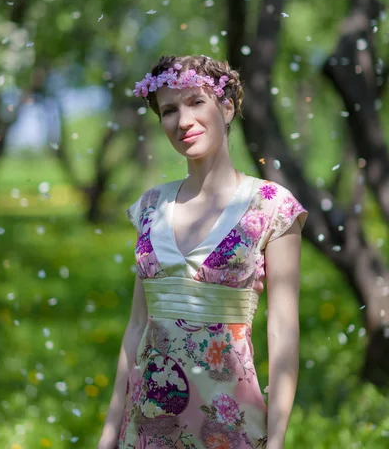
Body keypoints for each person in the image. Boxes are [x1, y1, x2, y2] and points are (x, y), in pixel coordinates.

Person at [97, 55, 308, 449]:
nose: (183, 121)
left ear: (226, 107)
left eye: (196, 102)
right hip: (148, 425)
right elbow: (137, 328)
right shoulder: (149, 206)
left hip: (230, 423)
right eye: (168, 110)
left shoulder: (272, 206)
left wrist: (276, 438)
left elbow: (283, 331)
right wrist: (109, 433)